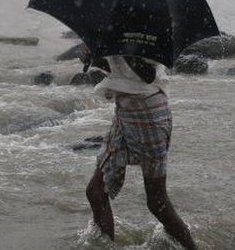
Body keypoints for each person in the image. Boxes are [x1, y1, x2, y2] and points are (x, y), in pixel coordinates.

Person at [83, 52, 199, 250]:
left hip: (148, 113)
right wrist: (97, 58)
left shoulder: (137, 34)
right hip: (126, 110)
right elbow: (125, 71)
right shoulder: (122, 32)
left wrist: (118, 48)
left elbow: (146, 73)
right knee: (95, 192)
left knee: (156, 202)